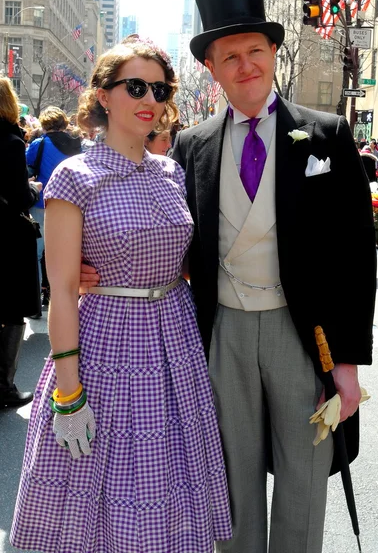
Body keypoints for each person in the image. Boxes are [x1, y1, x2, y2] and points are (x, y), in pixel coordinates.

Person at [170, 0, 375, 553]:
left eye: (255, 50)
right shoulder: (192, 144)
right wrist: (101, 273)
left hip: (303, 333)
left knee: (304, 480)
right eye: (229, 55)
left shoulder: (328, 136)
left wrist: (349, 363)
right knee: (231, 482)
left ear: (274, 52)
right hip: (225, 331)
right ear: (211, 67)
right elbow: (171, 237)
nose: (245, 65)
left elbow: (356, 257)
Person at [11, 38, 231, 553]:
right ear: (103, 96)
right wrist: (69, 394)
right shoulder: (74, 177)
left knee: (172, 481)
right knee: (100, 482)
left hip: (174, 345)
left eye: (159, 88)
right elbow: (62, 291)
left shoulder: (172, 172)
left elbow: (184, 263)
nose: (149, 97)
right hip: (105, 341)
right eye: (135, 85)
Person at [0, 77, 42, 408]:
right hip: (7, 239)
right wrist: (33, 189)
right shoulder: (11, 143)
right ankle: (4, 386)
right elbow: (19, 198)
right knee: (12, 311)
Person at [26, 106, 81, 313]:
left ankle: (36, 302)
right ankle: (70, 297)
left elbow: (27, 168)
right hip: (73, 205)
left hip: (42, 203)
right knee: (70, 253)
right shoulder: (78, 145)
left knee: (38, 251)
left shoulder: (38, 144)